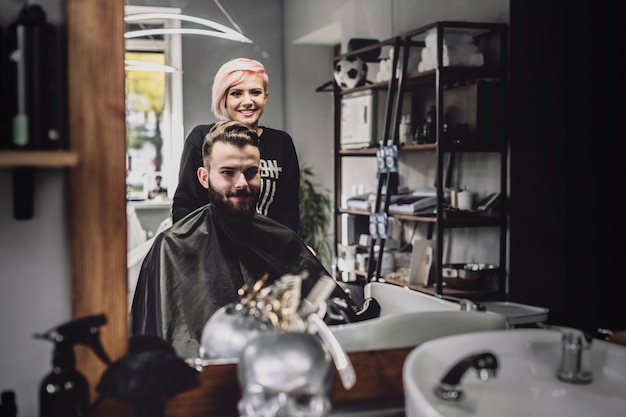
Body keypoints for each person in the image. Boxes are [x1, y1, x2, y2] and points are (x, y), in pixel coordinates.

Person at [131, 121, 356, 358]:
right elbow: (159, 342)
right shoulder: (173, 246)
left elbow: (337, 321)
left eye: (250, 172)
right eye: (228, 173)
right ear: (204, 177)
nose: (241, 184)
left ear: (260, 173)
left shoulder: (282, 240)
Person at [172, 58, 300, 232]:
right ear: (223, 98)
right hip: (213, 249)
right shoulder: (203, 138)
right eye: (236, 93)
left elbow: (289, 207)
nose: (247, 101)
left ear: (265, 97)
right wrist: (188, 248)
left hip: (267, 250)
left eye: (255, 92)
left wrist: (290, 247)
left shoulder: (281, 143)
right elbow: (184, 203)